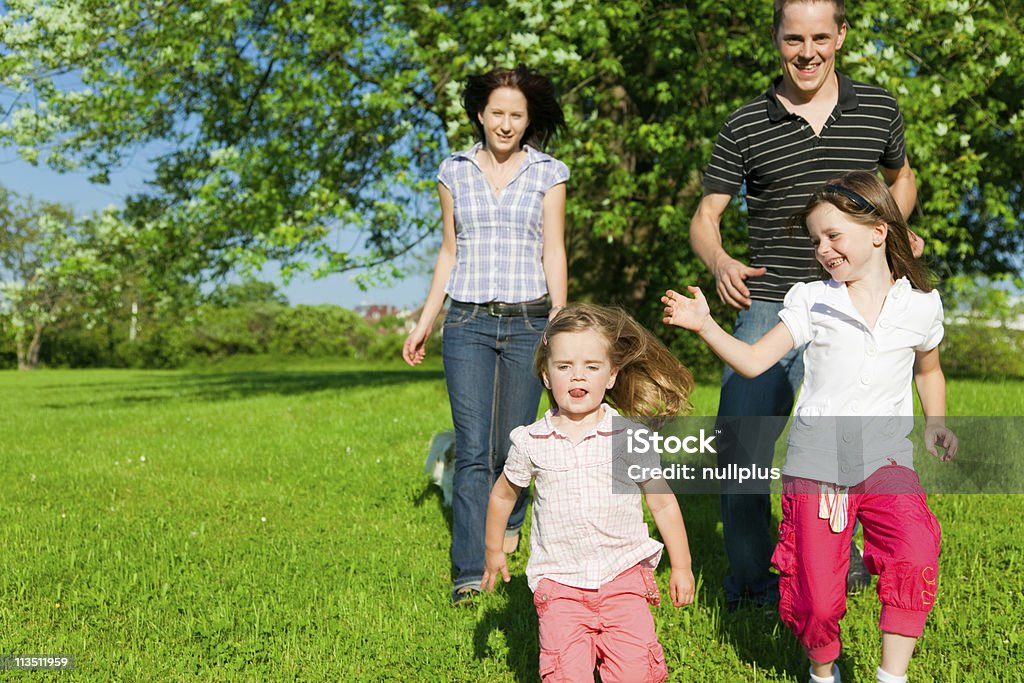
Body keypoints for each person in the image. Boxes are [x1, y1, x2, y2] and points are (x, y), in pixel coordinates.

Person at [663, 171, 957, 683]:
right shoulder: (813, 300)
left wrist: (936, 422)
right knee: (819, 600)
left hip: (887, 462)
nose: (823, 248)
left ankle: (893, 676)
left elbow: (928, 370)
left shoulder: (921, 304)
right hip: (820, 468)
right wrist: (706, 325)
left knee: (915, 550)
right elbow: (755, 361)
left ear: (878, 232)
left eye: (833, 235)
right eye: (816, 239)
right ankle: (823, 670)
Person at [689, 0, 922, 608]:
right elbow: (705, 217)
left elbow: (903, 177)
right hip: (772, 301)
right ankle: (749, 582)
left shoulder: (878, 108)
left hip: (856, 306)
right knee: (739, 448)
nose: (808, 51)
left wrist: (894, 229)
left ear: (841, 35)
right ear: (776, 40)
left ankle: (841, 566)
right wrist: (720, 261)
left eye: (821, 36)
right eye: (794, 39)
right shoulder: (745, 124)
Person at [402, 65, 569, 605]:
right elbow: (449, 251)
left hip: (528, 321)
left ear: (528, 120)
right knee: (474, 450)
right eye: (497, 113)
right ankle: (469, 572)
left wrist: (559, 322)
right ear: (480, 114)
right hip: (468, 321)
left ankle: (511, 519)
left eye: (515, 115)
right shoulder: (453, 171)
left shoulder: (549, 172)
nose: (505, 123)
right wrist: (426, 319)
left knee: (514, 444)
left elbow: (553, 250)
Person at [482, 304, 696, 683]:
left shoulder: (630, 437)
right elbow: (502, 495)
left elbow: (662, 502)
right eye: (564, 366)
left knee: (635, 674)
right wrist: (494, 549)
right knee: (565, 675)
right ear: (546, 375)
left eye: (591, 366)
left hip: (623, 578)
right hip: (560, 584)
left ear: (612, 375)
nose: (577, 375)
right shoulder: (531, 441)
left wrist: (682, 566)